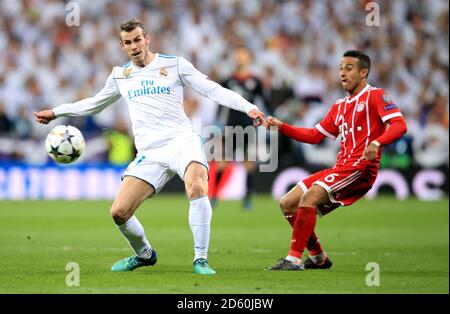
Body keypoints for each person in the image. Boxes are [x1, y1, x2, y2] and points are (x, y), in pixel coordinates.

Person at [34, 19, 266, 275]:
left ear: (148, 39)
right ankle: (144, 254)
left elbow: (212, 90)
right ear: (122, 46)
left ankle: (200, 259)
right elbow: (94, 104)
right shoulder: (120, 75)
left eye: (137, 40)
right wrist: (56, 112)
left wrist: (248, 107)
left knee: (197, 186)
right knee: (119, 212)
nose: (134, 46)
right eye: (128, 42)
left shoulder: (175, 64)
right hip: (150, 153)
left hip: (182, 142)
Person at [266, 50, 407, 270]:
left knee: (309, 197)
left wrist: (377, 143)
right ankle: (318, 257)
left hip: (361, 168)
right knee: (287, 203)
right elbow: (314, 136)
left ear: (363, 72)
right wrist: (282, 127)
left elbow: (399, 125)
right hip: (341, 166)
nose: (343, 73)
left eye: (348, 68)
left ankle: (292, 259)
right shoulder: (339, 106)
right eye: (341, 68)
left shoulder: (376, 96)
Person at [213, 46, 269, 209]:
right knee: (222, 162)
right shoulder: (228, 81)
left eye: (242, 56)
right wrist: (218, 121)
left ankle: (248, 198)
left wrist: (266, 117)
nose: (239, 58)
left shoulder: (256, 81)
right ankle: (215, 195)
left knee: (249, 163)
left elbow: (263, 102)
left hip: (248, 127)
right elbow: (220, 103)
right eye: (237, 56)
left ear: (248, 58)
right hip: (231, 125)